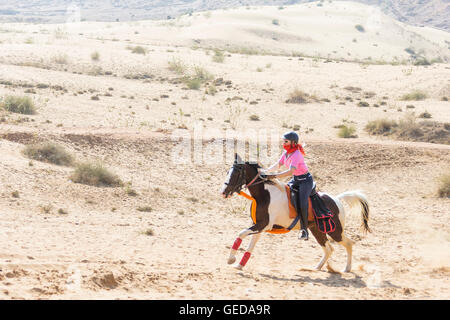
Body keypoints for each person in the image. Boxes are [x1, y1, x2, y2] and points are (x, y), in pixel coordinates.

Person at [260, 131, 314, 240]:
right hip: (296, 179)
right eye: (283, 141)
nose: (284, 143)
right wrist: (265, 171)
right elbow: (278, 165)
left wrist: (274, 176)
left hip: (305, 181)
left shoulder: (296, 154)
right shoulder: (286, 153)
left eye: (286, 141)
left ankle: (304, 230)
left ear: (293, 143)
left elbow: (290, 171)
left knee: (303, 202)